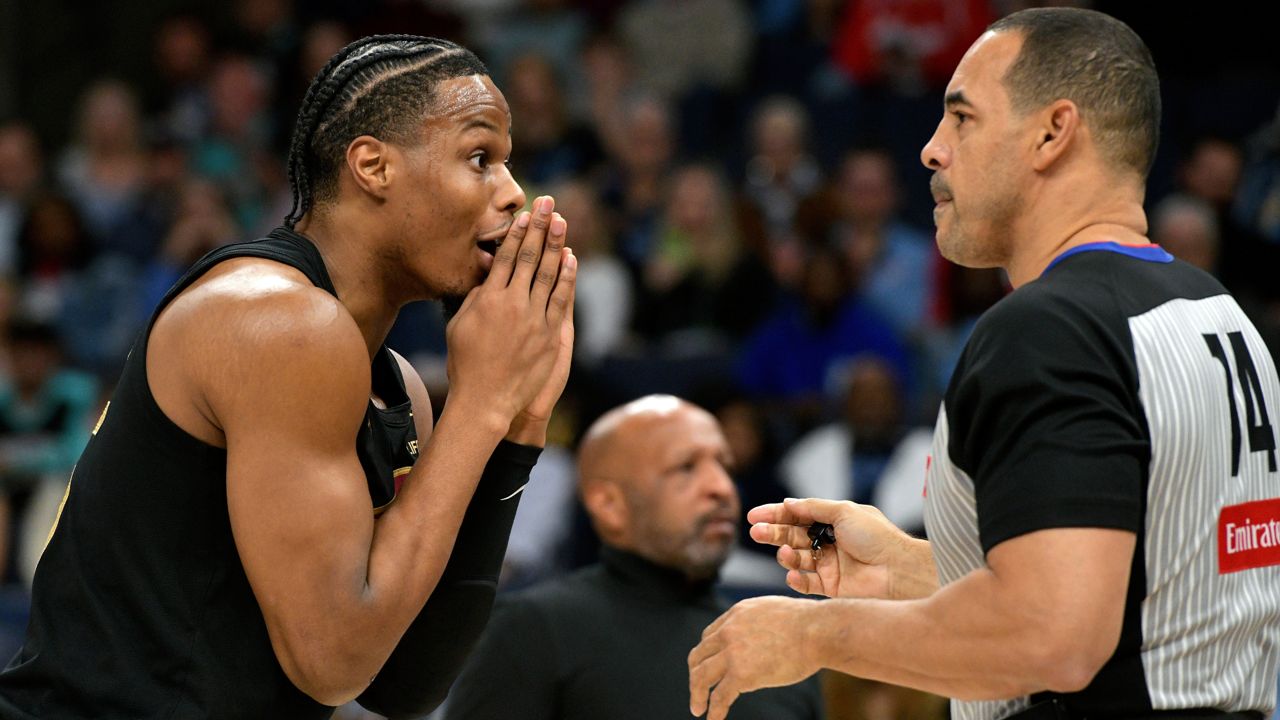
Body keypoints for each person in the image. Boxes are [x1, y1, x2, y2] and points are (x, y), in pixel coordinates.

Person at [689, 8, 1280, 720]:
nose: (932, 150)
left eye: (962, 118)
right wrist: (905, 570)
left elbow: (1054, 637)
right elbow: (1126, 585)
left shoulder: (1051, 330)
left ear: (1052, 133)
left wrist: (816, 634)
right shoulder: (1216, 310)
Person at [0, 35, 577, 720]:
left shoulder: (394, 387)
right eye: (480, 158)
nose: (514, 194)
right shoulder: (275, 320)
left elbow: (404, 684)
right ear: (373, 166)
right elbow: (330, 661)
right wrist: (481, 402)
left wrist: (519, 422)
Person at [448, 395, 822, 720]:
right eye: (686, 467)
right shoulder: (533, 630)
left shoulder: (781, 654)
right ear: (609, 504)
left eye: (725, 467)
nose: (721, 488)